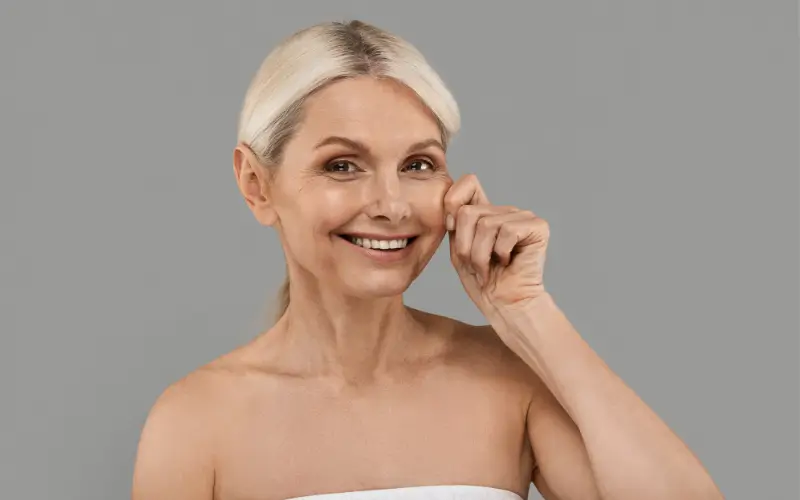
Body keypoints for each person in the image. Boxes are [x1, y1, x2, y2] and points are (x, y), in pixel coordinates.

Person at [131, 20, 723, 500]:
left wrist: (529, 315)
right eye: (343, 165)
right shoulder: (195, 423)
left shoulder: (509, 380)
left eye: (418, 165)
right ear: (258, 185)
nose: (391, 206)